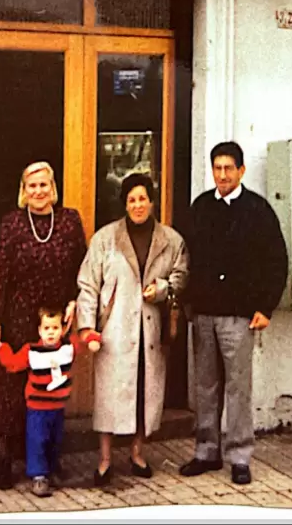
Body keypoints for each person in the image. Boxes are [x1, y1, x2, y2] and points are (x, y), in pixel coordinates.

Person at [178, 141, 288, 486]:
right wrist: (188, 304)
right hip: (205, 314)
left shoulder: (258, 211)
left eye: (229, 168)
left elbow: (276, 261)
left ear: (241, 170)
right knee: (206, 386)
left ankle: (239, 455)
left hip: (240, 316)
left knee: (238, 387)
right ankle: (206, 451)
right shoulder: (200, 208)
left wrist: (265, 307)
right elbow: (187, 257)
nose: (222, 174)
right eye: (217, 168)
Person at [0, 161, 87, 490]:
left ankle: (46, 461)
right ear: (23, 191)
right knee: (13, 389)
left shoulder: (69, 221)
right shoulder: (12, 223)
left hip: (53, 320)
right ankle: (5, 459)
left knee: (50, 388)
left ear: (53, 188)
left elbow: (81, 266)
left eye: (44, 185)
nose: (38, 191)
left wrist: (74, 300)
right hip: (19, 316)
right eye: (32, 186)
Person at [76, 172, 189, 485]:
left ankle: (137, 453)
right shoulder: (105, 238)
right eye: (131, 200)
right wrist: (86, 328)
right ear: (124, 204)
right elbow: (88, 284)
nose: (138, 205)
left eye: (143, 199)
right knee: (110, 395)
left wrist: (163, 288)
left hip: (150, 330)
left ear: (152, 202)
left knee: (144, 392)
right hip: (114, 329)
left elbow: (182, 277)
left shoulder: (171, 240)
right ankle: (105, 458)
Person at [0, 306, 96, 497]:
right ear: (39, 330)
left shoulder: (66, 349)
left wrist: (93, 340)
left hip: (57, 407)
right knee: (37, 440)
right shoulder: (31, 351)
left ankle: (52, 469)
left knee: (55, 440)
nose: (51, 333)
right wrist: (1, 348)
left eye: (55, 328)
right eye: (47, 328)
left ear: (62, 330)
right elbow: (13, 364)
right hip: (37, 408)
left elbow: (83, 341)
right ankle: (38, 475)